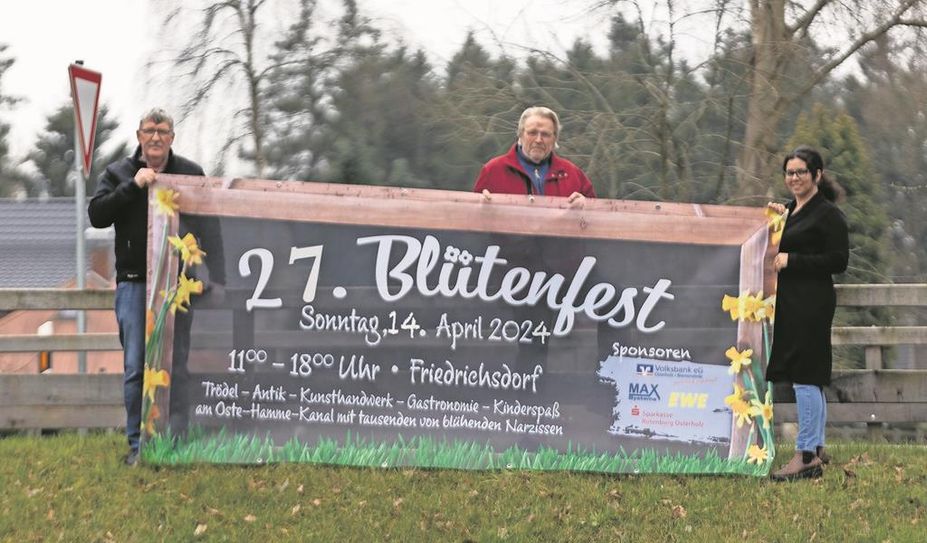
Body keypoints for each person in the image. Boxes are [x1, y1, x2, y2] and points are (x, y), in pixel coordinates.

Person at [88, 108, 225, 466]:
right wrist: (133, 186)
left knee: (176, 364)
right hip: (135, 284)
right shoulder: (118, 172)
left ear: (172, 138)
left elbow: (210, 225)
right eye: (149, 130)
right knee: (136, 365)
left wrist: (220, 274)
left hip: (177, 287)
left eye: (162, 131)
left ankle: (176, 441)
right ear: (138, 136)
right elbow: (97, 214)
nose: (155, 137)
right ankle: (138, 445)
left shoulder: (191, 174)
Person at [766, 145, 848, 481]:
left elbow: (838, 261)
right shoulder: (790, 210)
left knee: (806, 376)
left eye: (801, 171)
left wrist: (792, 260)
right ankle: (817, 447)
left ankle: (804, 455)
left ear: (817, 175)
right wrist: (774, 218)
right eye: (789, 172)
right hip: (791, 302)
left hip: (811, 303)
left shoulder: (827, 214)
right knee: (808, 374)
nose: (794, 177)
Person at [473, 106, 596, 204]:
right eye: (532, 133)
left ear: (555, 139)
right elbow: (471, 219)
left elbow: (596, 220)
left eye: (545, 134)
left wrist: (587, 207)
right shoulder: (493, 170)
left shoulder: (573, 175)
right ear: (520, 135)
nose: (538, 140)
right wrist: (481, 205)